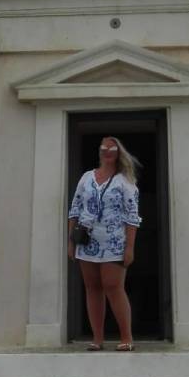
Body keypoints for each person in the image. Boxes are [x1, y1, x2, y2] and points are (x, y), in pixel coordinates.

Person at [67, 135, 141, 351]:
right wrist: (71, 242)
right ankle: (97, 338)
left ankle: (126, 337)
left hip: (114, 242)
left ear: (119, 154)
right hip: (86, 241)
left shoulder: (125, 182)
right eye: (103, 148)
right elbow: (75, 209)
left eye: (112, 149)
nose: (107, 152)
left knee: (113, 286)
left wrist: (130, 247)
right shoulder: (86, 178)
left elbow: (132, 217)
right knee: (92, 288)